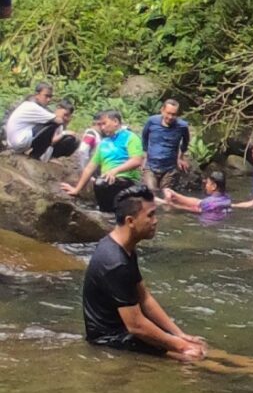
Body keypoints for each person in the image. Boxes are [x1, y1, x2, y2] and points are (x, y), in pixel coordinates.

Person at [80, 186, 208, 360]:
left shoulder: (123, 247)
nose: (155, 221)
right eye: (150, 215)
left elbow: (145, 298)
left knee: (199, 348)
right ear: (130, 221)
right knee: (197, 357)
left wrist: (180, 335)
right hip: (111, 340)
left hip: (126, 333)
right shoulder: (115, 263)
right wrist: (182, 347)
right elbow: (136, 325)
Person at [61, 110, 142, 206]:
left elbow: (136, 161)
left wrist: (115, 171)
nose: (102, 128)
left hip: (127, 180)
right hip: (107, 181)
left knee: (101, 184)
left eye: (105, 123)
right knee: (101, 184)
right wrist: (76, 189)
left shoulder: (130, 137)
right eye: (100, 125)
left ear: (115, 122)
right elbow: (90, 167)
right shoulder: (104, 143)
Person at [7, 82, 79, 161]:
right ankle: (35, 155)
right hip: (19, 142)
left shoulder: (29, 105)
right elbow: (58, 120)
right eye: (46, 96)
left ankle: (41, 155)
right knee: (53, 124)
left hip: (15, 141)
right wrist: (64, 132)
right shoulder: (33, 107)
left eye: (50, 97)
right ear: (37, 95)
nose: (49, 100)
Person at [140, 97, 191, 196]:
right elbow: (144, 137)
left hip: (169, 169)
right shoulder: (152, 121)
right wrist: (145, 155)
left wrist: (181, 157)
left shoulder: (182, 126)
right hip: (151, 166)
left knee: (167, 196)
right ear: (162, 110)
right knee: (150, 194)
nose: (170, 117)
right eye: (168, 113)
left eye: (174, 114)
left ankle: (167, 212)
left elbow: (186, 141)